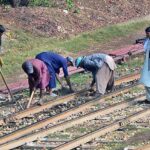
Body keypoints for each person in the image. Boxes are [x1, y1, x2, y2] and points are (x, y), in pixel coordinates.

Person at [139, 26, 150, 104]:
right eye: (146, 33)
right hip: (147, 64)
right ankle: (149, 99)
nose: (146, 34)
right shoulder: (147, 41)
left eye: (148, 33)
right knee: (147, 82)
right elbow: (145, 50)